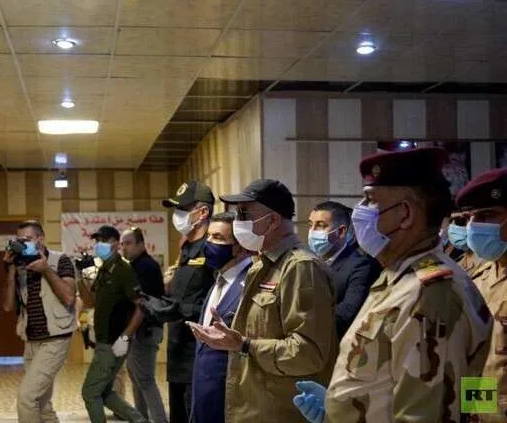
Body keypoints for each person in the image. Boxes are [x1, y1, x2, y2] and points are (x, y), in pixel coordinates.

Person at [293, 148, 493, 423]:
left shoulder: (430, 294)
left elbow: (423, 414)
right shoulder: (397, 276)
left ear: (405, 214)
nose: (360, 211)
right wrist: (340, 408)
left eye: (370, 201)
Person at [189, 178, 336, 423]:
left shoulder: (301, 267)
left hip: (280, 412)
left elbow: (307, 353)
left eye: (245, 214)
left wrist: (244, 345)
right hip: (252, 407)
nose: (238, 222)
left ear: (273, 220)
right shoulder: (262, 266)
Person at [2, 220, 76, 423]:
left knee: (27, 398)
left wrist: (46, 270)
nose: (22, 243)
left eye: (27, 239)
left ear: (40, 239)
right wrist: (10, 270)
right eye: (19, 240)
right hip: (31, 340)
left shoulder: (60, 260)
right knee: (43, 405)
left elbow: (69, 298)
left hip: (55, 339)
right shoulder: (20, 265)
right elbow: (8, 306)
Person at [159, 181, 217, 422]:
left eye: (183, 209)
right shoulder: (185, 248)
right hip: (178, 351)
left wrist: (182, 309)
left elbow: (220, 304)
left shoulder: (213, 249)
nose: (177, 215)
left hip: (199, 354)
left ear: (202, 212)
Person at [189, 212, 252, 423]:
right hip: (204, 395)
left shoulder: (250, 283)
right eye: (208, 235)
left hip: (230, 399)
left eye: (218, 237)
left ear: (240, 246)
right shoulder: (219, 279)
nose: (208, 243)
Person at [456, 167, 507, 422]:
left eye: (487, 215)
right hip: (481, 408)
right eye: (471, 217)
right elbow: (484, 360)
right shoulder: (479, 276)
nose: (474, 226)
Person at [81, 226, 147, 423]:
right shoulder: (104, 269)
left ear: (116, 244)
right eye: (97, 241)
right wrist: (79, 276)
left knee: (90, 392)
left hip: (114, 341)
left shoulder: (123, 270)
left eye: (104, 240)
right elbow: (90, 302)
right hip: (103, 340)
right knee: (105, 392)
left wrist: (125, 337)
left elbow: (141, 307)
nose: (99, 244)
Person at [308, 201, 382, 339]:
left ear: (341, 232)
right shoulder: (307, 261)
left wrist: (305, 325)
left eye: (321, 225)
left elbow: (347, 312)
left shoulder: (360, 265)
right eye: (310, 225)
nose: (312, 231)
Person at [119, 227, 167, 423]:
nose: (124, 248)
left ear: (140, 244)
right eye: (122, 244)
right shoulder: (135, 265)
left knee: (145, 380)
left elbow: (142, 305)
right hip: (138, 331)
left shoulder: (145, 267)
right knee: (137, 379)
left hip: (143, 331)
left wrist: (127, 334)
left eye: (128, 243)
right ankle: (141, 418)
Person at [445, 209, 484, 274]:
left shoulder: (488, 261)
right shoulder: (459, 261)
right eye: (451, 221)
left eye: (460, 221)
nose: (453, 226)